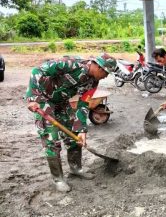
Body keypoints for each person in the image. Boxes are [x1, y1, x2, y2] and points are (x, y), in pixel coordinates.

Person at [25, 54, 117, 192]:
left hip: (62, 102)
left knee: (74, 135)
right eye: (105, 72)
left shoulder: (93, 82)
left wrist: (81, 129)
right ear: (98, 66)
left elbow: (84, 103)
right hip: (44, 100)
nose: (106, 77)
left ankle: (76, 169)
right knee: (51, 139)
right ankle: (58, 179)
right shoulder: (70, 64)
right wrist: (32, 97)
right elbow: (37, 71)